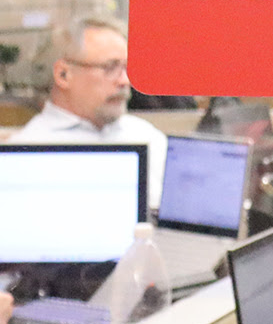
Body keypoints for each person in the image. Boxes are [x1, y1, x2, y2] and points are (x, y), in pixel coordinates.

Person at [14, 16, 166, 200]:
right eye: (110, 67)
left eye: (128, 68)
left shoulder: (148, 137)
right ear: (63, 75)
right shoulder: (25, 154)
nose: (125, 81)